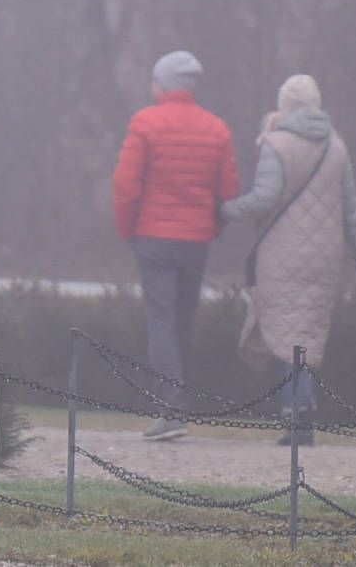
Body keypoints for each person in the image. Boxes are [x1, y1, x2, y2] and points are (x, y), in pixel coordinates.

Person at [220, 74, 356, 446]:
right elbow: (351, 210)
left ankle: (296, 417)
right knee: (304, 336)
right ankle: (303, 415)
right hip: (325, 256)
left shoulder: (274, 143)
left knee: (283, 334)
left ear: (284, 105)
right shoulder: (337, 147)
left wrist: (226, 211)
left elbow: (265, 198)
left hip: (282, 252)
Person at [111, 48, 239, 440]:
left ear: (162, 84)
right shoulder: (217, 129)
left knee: (161, 322)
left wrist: (127, 228)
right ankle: (177, 405)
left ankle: (170, 409)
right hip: (195, 240)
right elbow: (228, 192)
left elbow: (126, 185)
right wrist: (211, 228)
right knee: (183, 321)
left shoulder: (145, 124)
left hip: (152, 236)